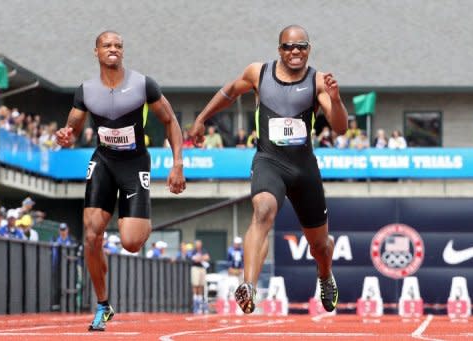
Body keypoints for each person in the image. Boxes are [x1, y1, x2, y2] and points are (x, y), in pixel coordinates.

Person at [189, 25, 348, 314]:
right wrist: (201, 117)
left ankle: (325, 275)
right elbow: (229, 93)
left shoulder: (318, 81)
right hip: (269, 162)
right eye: (288, 47)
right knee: (262, 211)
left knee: (320, 246)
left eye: (301, 47)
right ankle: (248, 286)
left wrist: (335, 100)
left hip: (304, 170)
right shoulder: (258, 73)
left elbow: (340, 127)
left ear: (309, 49)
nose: (295, 52)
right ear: (280, 50)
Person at [55, 31, 185, 331]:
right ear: (96, 52)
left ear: (122, 52)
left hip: (134, 163)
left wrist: (177, 163)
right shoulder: (86, 90)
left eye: (118, 46)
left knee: (131, 242)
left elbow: (170, 121)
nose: (113, 49)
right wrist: (65, 135)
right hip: (103, 161)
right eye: (107, 45)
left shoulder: (142, 85)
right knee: (91, 235)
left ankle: (140, 217)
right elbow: (72, 127)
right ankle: (103, 305)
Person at [189, 239, 210, 314]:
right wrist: (201, 258)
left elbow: (207, 257)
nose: (198, 245)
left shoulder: (203, 250)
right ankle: (195, 303)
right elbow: (193, 259)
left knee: (201, 285)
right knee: (195, 284)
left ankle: (200, 303)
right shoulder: (193, 251)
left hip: (202, 268)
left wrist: (200, 258)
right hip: (196, 268)